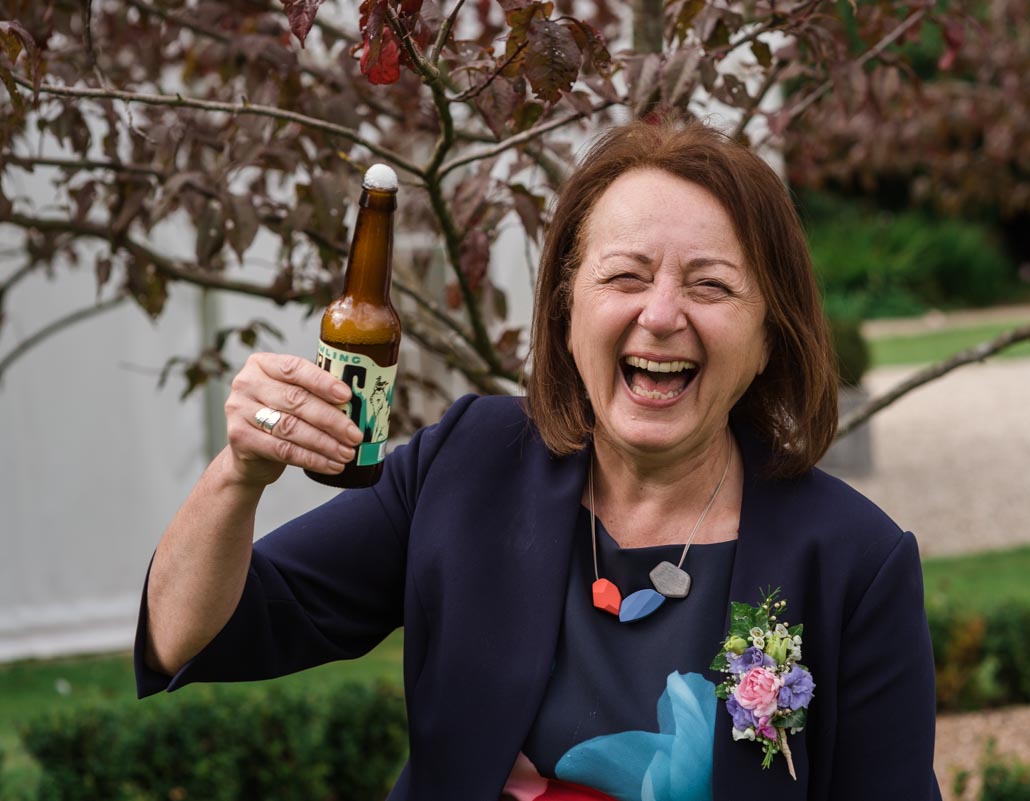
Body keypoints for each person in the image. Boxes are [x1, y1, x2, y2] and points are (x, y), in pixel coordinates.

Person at [136, 117, 942, 800]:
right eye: (625, 275)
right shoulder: (467, 466)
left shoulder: (854, 563)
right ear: (566, 309)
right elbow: (191, 636)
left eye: (711, 286)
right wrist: (237, 470)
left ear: (771, 335)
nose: (661, 315)